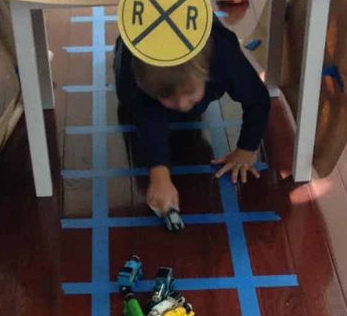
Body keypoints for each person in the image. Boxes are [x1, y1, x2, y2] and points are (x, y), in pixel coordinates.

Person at [114, 16, 271, 221]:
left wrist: (246, 150)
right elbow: (149, 124)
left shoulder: (225, 59)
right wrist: (159, 175)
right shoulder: (136, 82)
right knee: (134, 106)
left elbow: (258, 99)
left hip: (203, 32)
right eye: (166, 97)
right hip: (135, 49)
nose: (180, 104)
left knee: (183, 106)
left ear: (207, 75)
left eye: (189, 93)